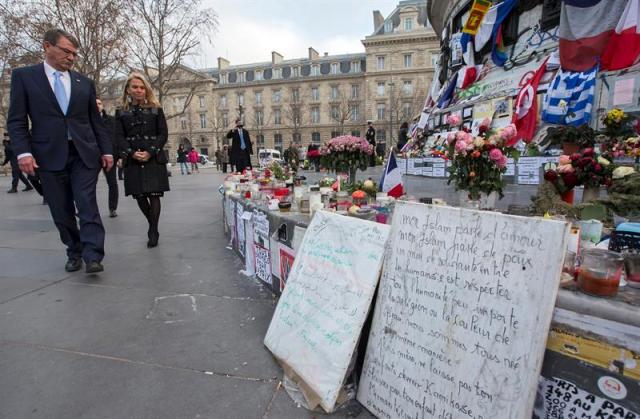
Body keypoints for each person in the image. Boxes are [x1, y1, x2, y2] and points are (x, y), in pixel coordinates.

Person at [7, 28, 112, 274]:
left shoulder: (84, 83)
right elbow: (16, 120)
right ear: (46, 47)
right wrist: (23, 152)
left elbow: (95, 122)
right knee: (61, 210)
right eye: (66, 51)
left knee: (87, 204)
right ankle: (74, 250)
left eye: (74, 54)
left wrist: (106, 151)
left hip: (84, 154)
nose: (71, 58)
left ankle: (93, 254)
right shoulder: (25, 77)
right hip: (48, 155)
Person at [115, 72, 170, 248]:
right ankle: (152, 224)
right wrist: (131, 153)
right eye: (135, 87)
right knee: (139, 195)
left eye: (142, 87)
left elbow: (163, 133)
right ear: (128, 90)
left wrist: (150, 152)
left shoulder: (156, 108)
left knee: (154, 194)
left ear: (146, 89)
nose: (139, 90)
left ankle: (153, 230)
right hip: (132, 159)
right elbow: (118, 136)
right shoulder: (121, 111)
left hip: (153, 158)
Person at [96, 98, 119, 217]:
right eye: (95, 104)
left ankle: (112, 208)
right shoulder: (85, 121)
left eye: (99, 103)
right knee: (87, 184)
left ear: (103, 106)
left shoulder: (111, 120)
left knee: (112, 182)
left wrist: (119, 156)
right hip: (92, 156)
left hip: (109, 155)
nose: (97, 106)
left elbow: (116, 139)